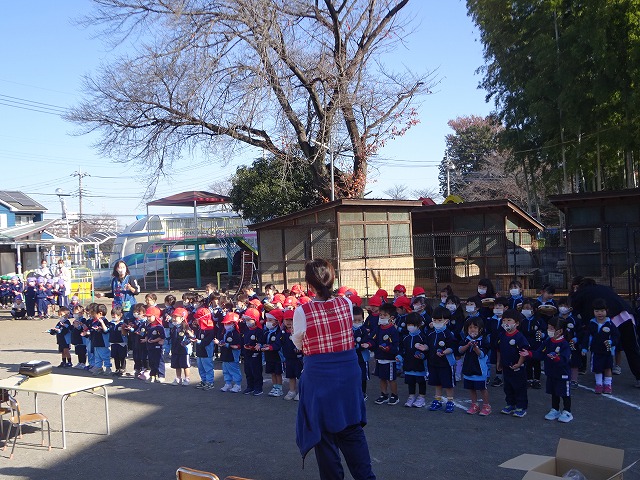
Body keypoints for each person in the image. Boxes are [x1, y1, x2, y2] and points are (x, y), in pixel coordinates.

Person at [293, 259, 376, 480]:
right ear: (332, 278)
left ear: (310, 284)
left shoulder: (302, 311)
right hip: (347, 374)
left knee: (324, 433)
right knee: (352, 426)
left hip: (319, 376)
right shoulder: (346, 303)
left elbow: (299, 342)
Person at [570, 277, 640, 388]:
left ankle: (602, 374)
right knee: (632, 348)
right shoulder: (603, 288)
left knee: (600, 346)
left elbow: (574, 309)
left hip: (608, 321)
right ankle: (638, 376)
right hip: (626, 315)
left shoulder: (581, 293)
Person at [520, 316, 573, 423]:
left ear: (560, 331)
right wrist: (529, 353)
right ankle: (555, 409)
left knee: (564, 393)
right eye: (548, 328)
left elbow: (565, 358)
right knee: (554, 392)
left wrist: (557, 358)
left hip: (562, 373)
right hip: (551, 372)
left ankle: (567, 411)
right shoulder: (548, 341)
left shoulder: (564, 344)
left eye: (552, 329)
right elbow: (540, 353)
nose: (549, 331)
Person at [497, 309, 530, 418]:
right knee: (508, 387)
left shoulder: (519, 337)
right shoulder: (502, 335)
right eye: (504, 320)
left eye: (509, 320)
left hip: (517, 367)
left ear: (517, 323)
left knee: (519, 387)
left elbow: (523, 352)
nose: (506, 323)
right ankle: (510, 404)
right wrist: (499, 362)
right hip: (506, 366)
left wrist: (519, 363)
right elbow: (499, 350)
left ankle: (521, 406)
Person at [582, 298, 620, 394]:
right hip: (596, 351)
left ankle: (608, 384)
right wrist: (584, 348)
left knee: (608, 368)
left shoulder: (610, 323)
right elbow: (587, 337)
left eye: (602, 311)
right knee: (597, 368)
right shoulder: (592, 324)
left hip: (607, 351)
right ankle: (599, 384)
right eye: (597, 311)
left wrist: (611, 342)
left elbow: (616, 336)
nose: (600, 313)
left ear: (606, 311)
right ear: (593, 312)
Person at [459, 317, 491, 415]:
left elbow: (481, 354)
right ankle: (474, 405)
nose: (472, 330)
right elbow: (460, 350)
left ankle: (486, 406)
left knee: (482, 388)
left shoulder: (483, 340)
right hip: (468, 368)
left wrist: (475, 347)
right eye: (470, 327)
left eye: (475, 327)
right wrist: (467, 345)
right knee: (471, 388)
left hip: (480, 370)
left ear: (480, 329)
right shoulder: (466, 339)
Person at [372, 302, 400, 405]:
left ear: (391, 317)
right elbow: (373, 339)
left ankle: (394, 395)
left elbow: (396, 345)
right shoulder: (378, 328)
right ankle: (383, 394)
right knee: (382, 378)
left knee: (391, 378)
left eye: (385, 315)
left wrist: (388, 348)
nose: (382, 317)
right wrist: (369, 344)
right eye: (380, 315)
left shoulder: (393, 330)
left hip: (389, 359)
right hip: (380, 357)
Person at [399, 312, 428, 408]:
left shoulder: (422, 337)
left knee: (421, 381)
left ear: (419, 325)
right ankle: (411, 396)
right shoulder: (405, 337)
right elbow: (402, 349)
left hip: (420, 365)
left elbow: (427, 350)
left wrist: (422, 356)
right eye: (409, 324)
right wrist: (399, 357)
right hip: (408, 364)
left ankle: (421, 397)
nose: (410, 327)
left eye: (413, 324)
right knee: (410, 382)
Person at [241, 307, 265, 395]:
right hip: (247, 353)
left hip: (255, 354)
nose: (247, 322)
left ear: (255, 320)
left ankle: (258, 388)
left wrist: (257, 345)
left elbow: (261, 341)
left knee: (256, 371)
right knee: (248, 371)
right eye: (246, 320)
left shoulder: (259, 331)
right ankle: (250, 386)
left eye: (249, 320)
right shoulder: (246, 330)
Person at [217, 312, 243, 393]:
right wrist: (220, 342)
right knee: (225, 370)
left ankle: (238, 385)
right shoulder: (224, 332)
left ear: (233, 324)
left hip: (232, 355)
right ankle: (228, 383)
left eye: (228, 323)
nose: (226, 325)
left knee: (234, 370)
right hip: (225, 354)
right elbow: (221, 339)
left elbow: (238, 345)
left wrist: (227, 345)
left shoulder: (236, 333)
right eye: (225, 323)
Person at [169, 308, 195, 386]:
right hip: (175, 348)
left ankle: (187, 378)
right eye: (173, 317)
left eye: (176, 317)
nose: (174, 319)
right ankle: (178, 378)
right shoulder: (173, 328)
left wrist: (185, 342)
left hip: (184, 350)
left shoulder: (186, 327)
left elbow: (191, 337)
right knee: (177, 365)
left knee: (185, 365)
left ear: (182, 318)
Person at [192, 307, 216, 390]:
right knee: (201, 367)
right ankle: (204, 380)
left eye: (198, 318)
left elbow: (207, 341)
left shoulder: (210, 329)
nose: (196, 320)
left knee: (208, 367)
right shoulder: (200, 328)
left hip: (207, 352)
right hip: (200, 351)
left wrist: (198, 341)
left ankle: (210, 382)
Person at [262, 311, 284, 397]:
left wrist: (271, 347)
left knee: (278, 373)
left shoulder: (279, 332)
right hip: (269, 355)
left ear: (277, 321)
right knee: (272, 372)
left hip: (277, 356)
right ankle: (275, 386)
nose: (268, 322)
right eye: (267, 320)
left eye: (270, 320)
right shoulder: (267, 332)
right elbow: (263, 341)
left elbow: (279, 344)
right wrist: (261, 345)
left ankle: (279, 388)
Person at [108, 306, 129, 376]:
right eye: (113, 315)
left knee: (122, 356)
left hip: (122, 342)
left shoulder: (123, 323)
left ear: (120, 315)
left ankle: (122, 368)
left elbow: (125, 333)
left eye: (116, 315)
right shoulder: (111, 323)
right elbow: (107, 330)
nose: (114, 316)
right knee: (115, 356)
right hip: (113, 342)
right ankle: (117, 369)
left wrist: (123, 328)